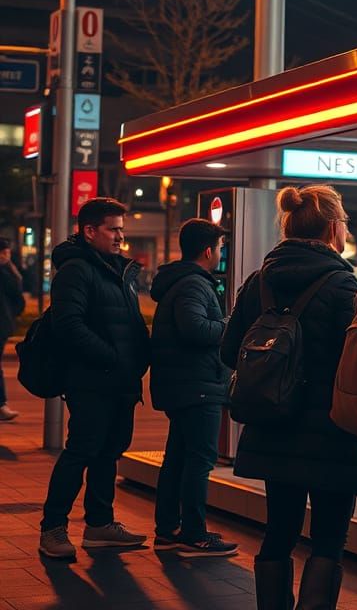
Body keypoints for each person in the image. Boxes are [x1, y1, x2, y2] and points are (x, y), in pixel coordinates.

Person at [222, 185, 357, 610]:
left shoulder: (259, 281)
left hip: (273, 425)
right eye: (344, 222)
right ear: (331, 228)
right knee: (329, 539)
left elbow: (228, 350)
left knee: (279, 530)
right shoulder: (345, 285)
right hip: (333, 434)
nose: (345, 229)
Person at [39, 198, 151, 560]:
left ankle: (100, 525)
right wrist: (114, 357)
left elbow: (127, 324)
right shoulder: (77, 270)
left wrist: (139, 358)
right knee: (81, 452)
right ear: (89, 231)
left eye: (121, 228)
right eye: (113, 229)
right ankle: (53, 528)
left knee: (109, 453)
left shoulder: (119, 271)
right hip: (91, 381)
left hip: (120, 382)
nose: (120, 236)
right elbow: (68, 325)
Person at [150, 217, 237, 557]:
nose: (220, 254)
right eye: (219, 248)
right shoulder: (193, 285)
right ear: (207, 251)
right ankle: (194, 533)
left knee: (178, 458)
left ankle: (169, 528)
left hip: (184, 384)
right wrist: (229, 324)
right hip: (197, 385)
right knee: (200, 460)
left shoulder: (182, 281)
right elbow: (196, 329)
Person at [0, 237, 26, 422]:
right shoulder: (6, 271)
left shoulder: (6, 271)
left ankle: (1, 405)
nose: (5, 255)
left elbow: (17, 298)